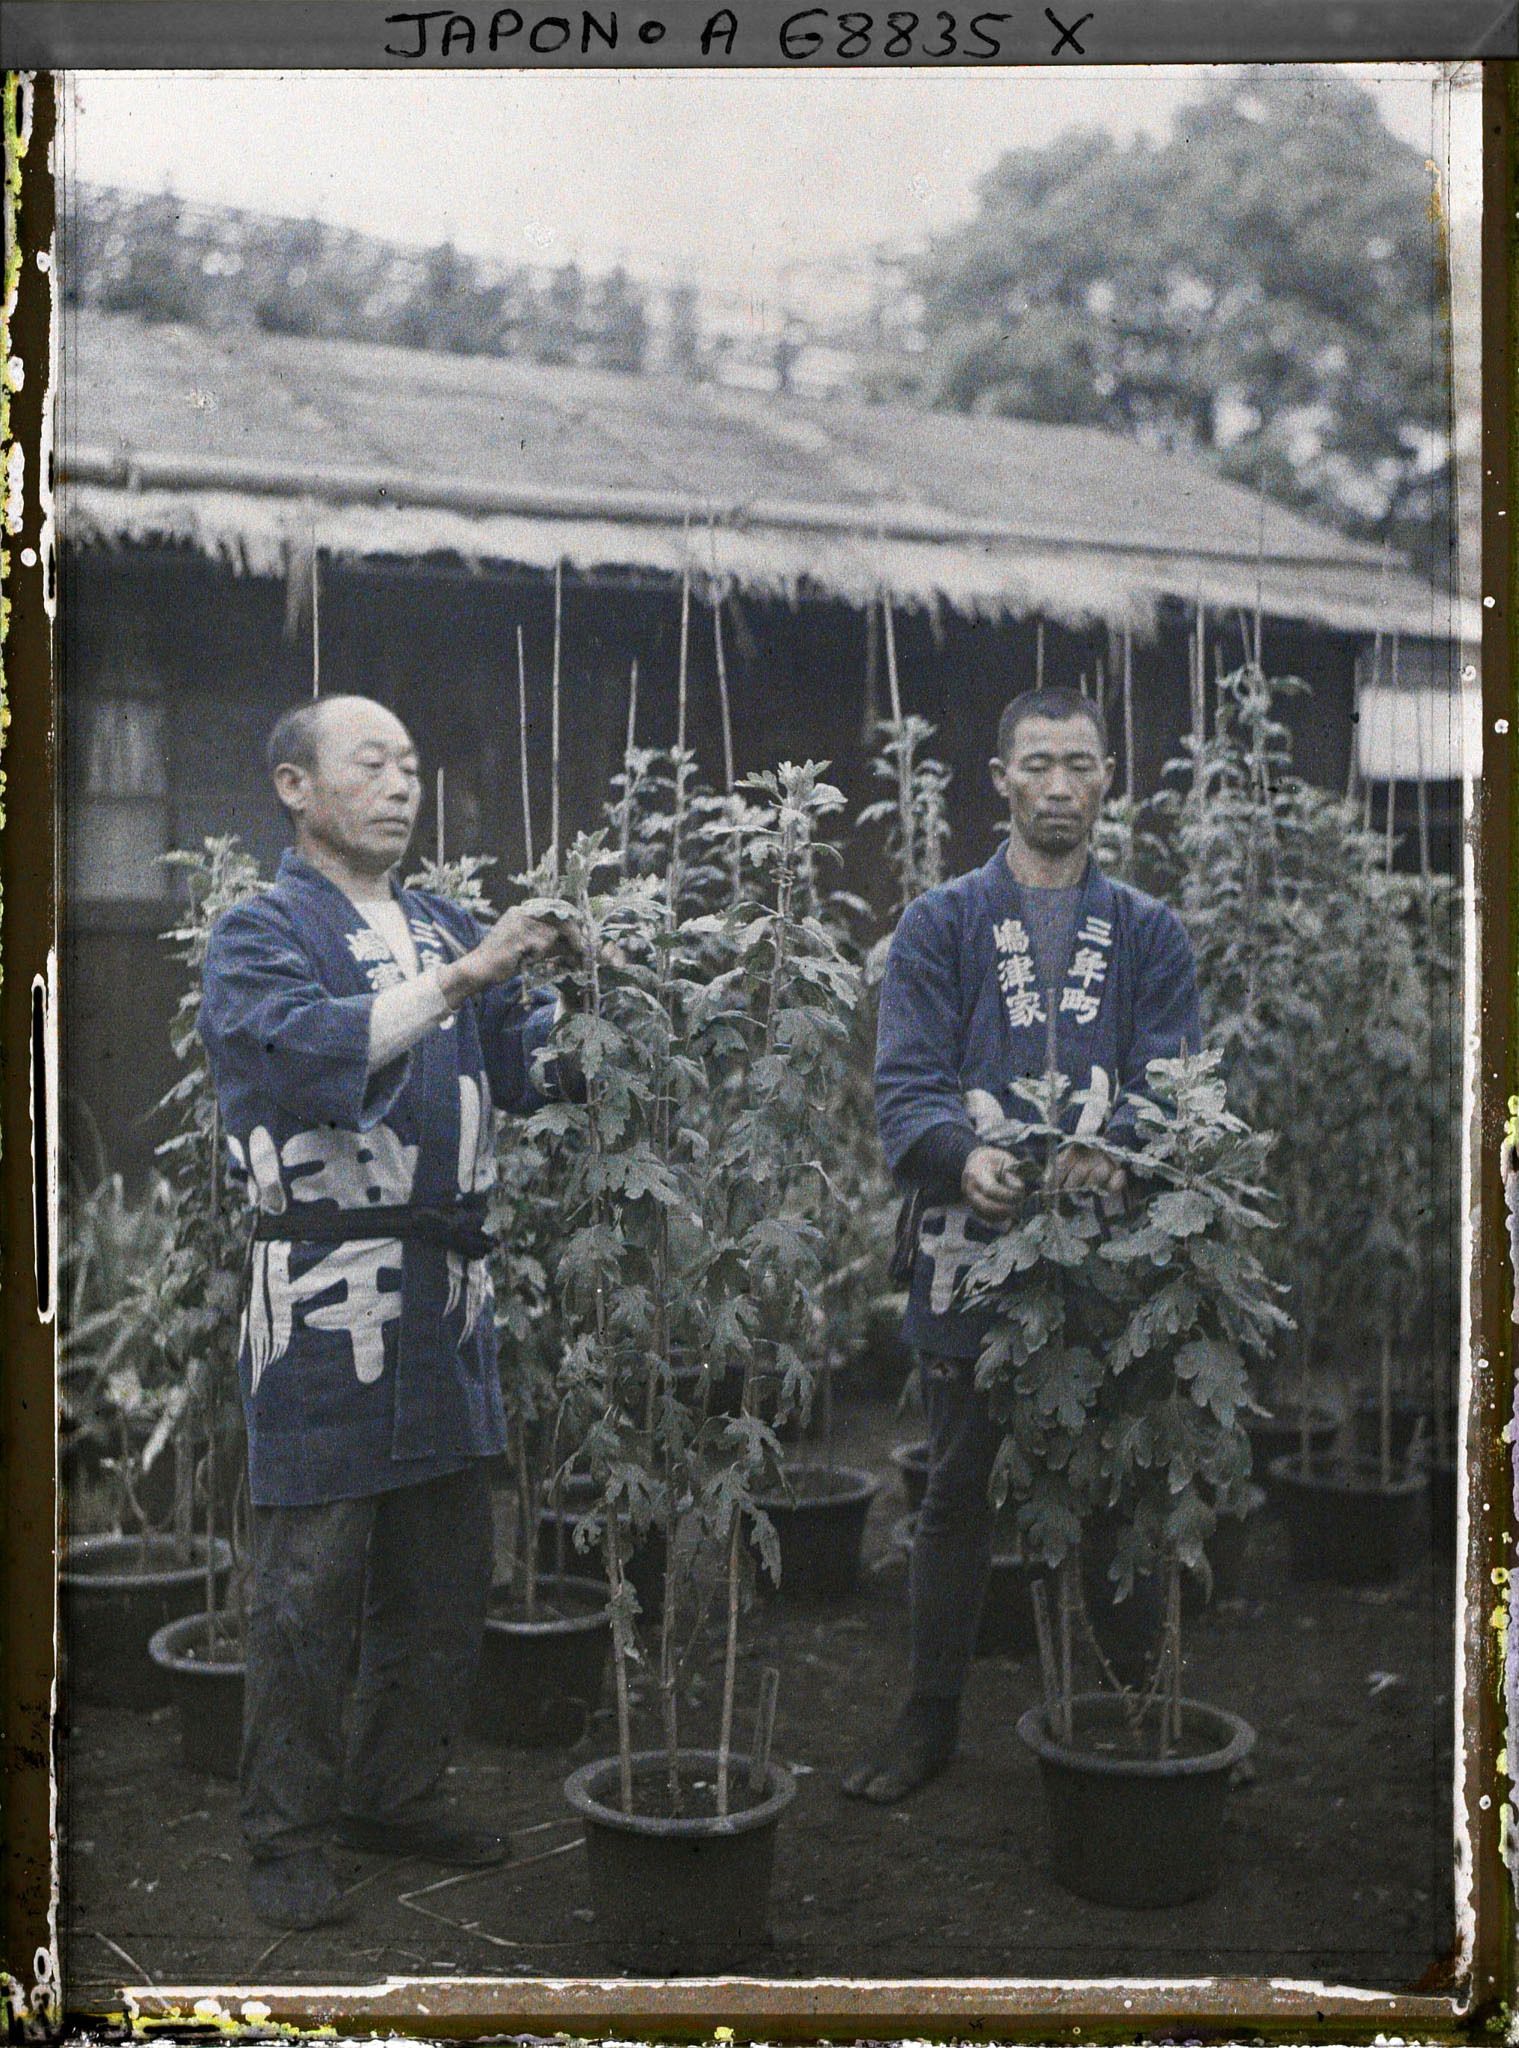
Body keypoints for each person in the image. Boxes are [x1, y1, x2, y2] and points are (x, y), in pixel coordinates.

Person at [199, 694, 575, 1930]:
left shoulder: (442, 920)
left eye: (412, 764)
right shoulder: (258, 933)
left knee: (444, 1571)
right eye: (372, 763)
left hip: (443, 1293)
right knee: (309, 1584)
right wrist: (466, 978)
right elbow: (308, 1050)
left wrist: (577, 993)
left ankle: (393, 1791)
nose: (403, 784)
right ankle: (285, 1834)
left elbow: (524, 1071)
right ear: (295, 787)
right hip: (326, 1293)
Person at [842, 685, 1202, 1805]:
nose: (1057, 785)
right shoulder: (940, 923)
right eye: (1036, 763)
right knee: (957, 1488)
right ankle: (929, 1717)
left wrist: (1120, 1146)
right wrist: (961, 1157)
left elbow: (1173, 1080)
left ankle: (1136, 1703)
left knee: (1118, 1483)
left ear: (1107, 781)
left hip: (1109, 1253)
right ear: (998, 779)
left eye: (1079, 764)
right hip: (970, 1244)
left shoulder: (1147, 931)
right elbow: (905, 1084)